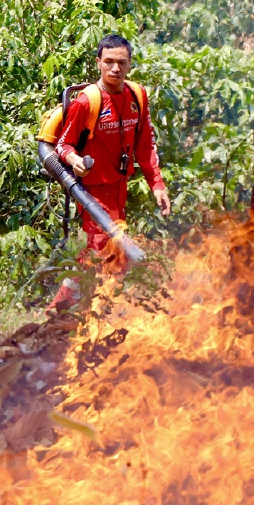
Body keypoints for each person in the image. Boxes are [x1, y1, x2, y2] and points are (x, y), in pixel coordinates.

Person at [46, 34, 171, 312]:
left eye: (121, 63)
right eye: (109, 62)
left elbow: (145, 145)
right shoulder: (86, 102)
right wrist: (74, 158)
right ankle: (87, 311)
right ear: (98, 63)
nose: (115, 68)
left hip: (118, 187)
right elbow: (62, 144)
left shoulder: (137, 96)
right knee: (109, 247)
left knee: (100, 252)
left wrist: (157, 184)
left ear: (129, 65)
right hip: (91, 190)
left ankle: (69, 309)